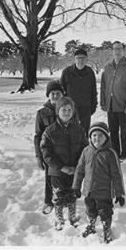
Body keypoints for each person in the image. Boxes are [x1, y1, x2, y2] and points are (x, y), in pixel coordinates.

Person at [40, 97, 88, 231]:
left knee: (72, 193)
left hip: (74, 169)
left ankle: (72, 215)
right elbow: (46, 152)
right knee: (59, 194)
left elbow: (85, 149)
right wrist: (61, 167)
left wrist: (78, 166)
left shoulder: (79, 129)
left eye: (69, 110)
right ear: (57, 111)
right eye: (63, 109)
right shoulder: (50, 131)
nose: (66, 112)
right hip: (57, 171)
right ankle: (59, 216)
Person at [72, 122, 125, 243]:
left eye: (101, 135)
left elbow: (117, 175)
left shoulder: (110, 154)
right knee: (90, 210)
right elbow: (79, 170)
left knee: (105, 212)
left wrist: (119, 193)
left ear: (106, 137)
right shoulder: (86, 151)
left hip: (104, 192)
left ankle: (106, 228)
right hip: (89, 191)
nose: (97, 138)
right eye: (94, 135)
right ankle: (91, 225)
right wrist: (76, 187)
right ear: (90, 137)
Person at [34, 80, 79, 215]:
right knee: (50, 177)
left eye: (58, 93)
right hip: (49, 152)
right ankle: (49, 201)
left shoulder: (70, 109)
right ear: (48, 95)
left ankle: (67, 200)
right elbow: (37, 135)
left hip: (67, 149)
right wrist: (39, 156)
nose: (55, 96)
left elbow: (76, 130)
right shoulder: (41, 113)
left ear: (62, 94)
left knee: (67, 176)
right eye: (52, 93)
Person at [100, 41, 126, 160]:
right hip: (110, 105)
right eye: (115, 48)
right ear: (112, 50)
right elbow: (103, 85)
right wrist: (103, 102)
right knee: (113, 130)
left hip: (124, 105)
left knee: (124, 131)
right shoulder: (107, 67)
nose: (117, 51)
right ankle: (115, 152)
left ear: (123, 50)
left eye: (119, 48)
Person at [60, 48, 98, 134]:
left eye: (83, 58)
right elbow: (62, 91)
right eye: (78, 58)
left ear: (87, 59)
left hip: (86, 107)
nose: (80, 60)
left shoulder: (90, 72)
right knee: (70, 132)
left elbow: (93, 91)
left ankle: (84, 147)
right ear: (74, 59)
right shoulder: (67, 72)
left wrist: (94, 106)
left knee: (84, 132)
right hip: (71, 109)